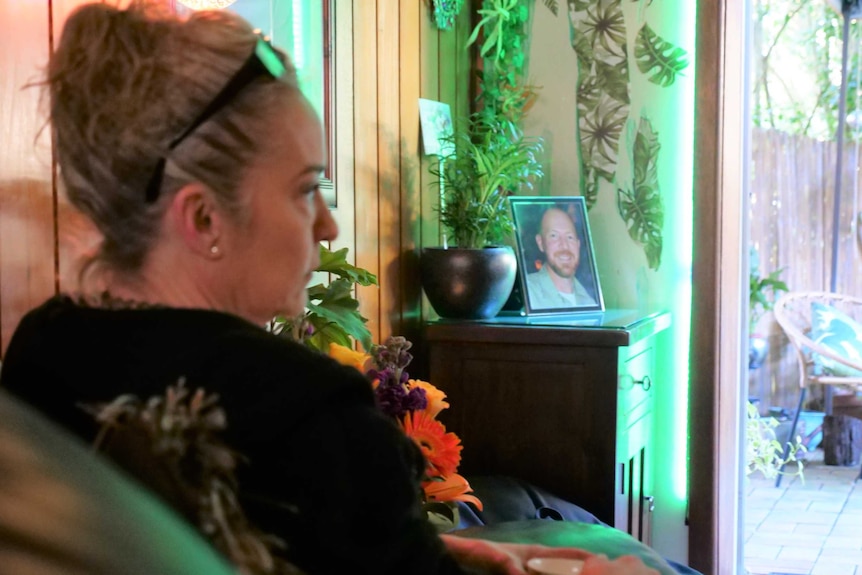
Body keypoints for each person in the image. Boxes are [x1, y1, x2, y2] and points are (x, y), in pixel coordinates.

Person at [0, 3, 658, 575]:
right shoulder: (307, 413)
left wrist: (444, 553)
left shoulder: (42, 353)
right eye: (304, 188)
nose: (328, 221)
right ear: (204, 219)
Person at [525, 206, 598, 310]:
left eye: (570, 237)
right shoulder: (528, 293)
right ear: (540, 243)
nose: (564, 245)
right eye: (554, 236)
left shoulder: (590, 301)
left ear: (578, 244)